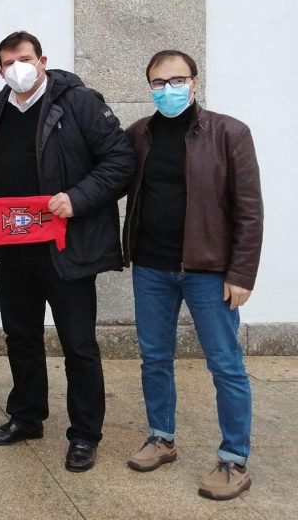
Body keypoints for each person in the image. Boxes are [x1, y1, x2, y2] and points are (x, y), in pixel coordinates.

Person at [0, 31, 135, 472]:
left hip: (67, 250)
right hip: (14, 248)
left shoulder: (79, 103)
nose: (18, 69)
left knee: (78, 344)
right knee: (21, 337)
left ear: (42, 60)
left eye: (24, 59)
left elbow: (120, 161)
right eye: (9, 63)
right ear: (0, 70)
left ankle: (85, 434)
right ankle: (26, 416)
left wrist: (77, 198)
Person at [122, 50, 262, 501]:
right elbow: (108, 175)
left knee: (225, 363)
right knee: (154, 357)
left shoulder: (229, 133)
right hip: (151, 267)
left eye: (176, 80)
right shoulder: (139, 134)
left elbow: (249, 210)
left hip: (209, 270)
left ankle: (234, 458)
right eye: (158, 82)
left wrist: (241, 272)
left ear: (195, 83)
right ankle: (161, 437)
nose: (168, 89)